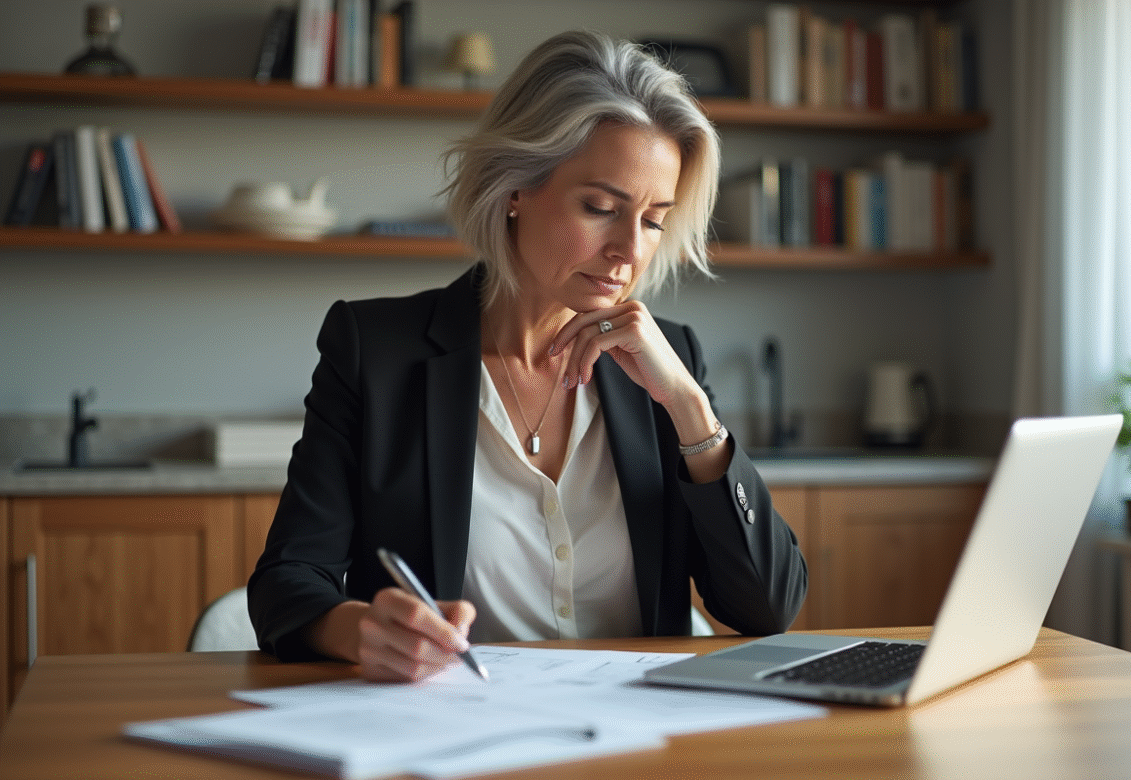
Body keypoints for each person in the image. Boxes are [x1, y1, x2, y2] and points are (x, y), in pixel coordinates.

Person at [248, 30, 807, 682]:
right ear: (516, 188)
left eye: (654, 219)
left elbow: (769, 609)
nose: (630, 248)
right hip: (452, 731)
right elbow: (289, 580)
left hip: (639, 736)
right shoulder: (375, 352)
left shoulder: (669, 359)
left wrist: (690, 409)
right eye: (600, 207)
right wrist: (363, 631)